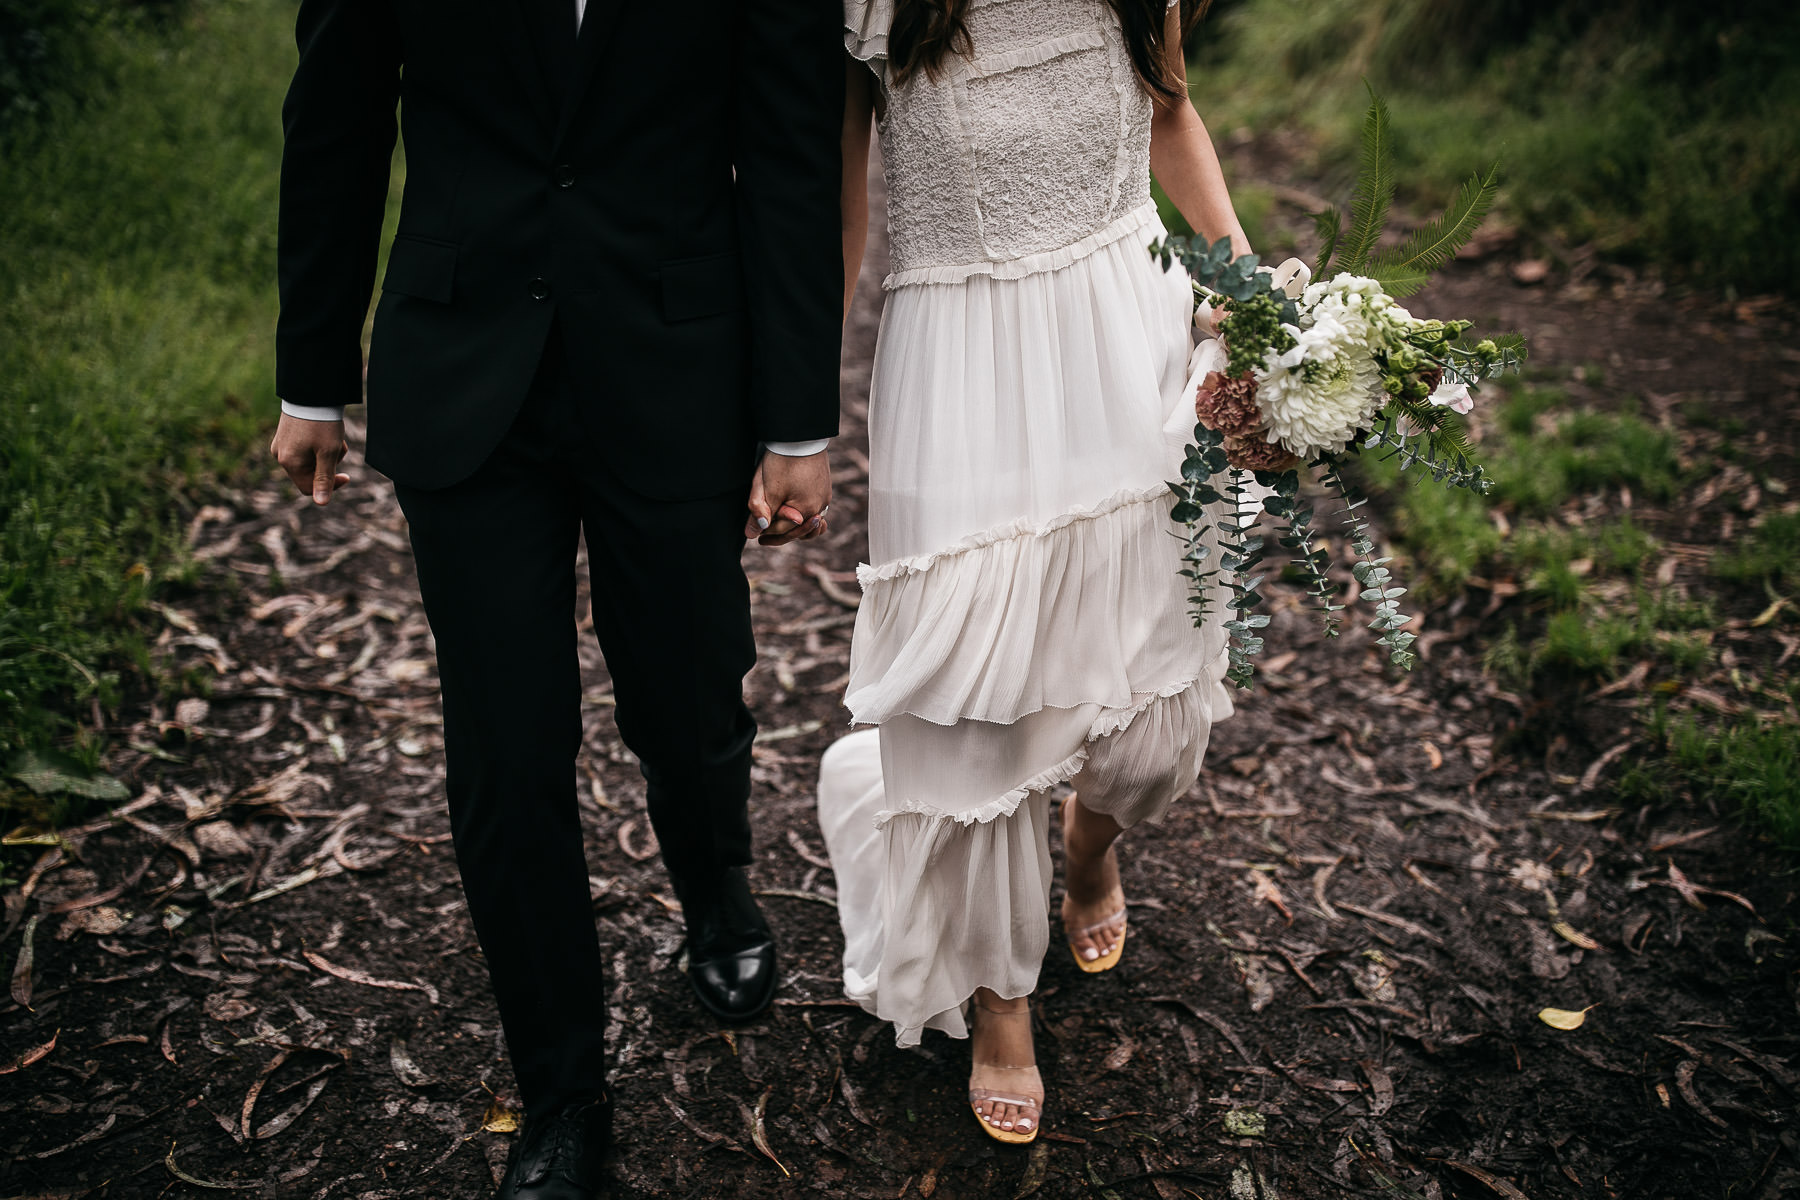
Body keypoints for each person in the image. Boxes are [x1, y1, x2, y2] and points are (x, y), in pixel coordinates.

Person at [268, 1, 843, 1195]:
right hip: (465, 364)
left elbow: (789, 154)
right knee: (506, 750)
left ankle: (714, 880)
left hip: (676, 361)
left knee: (686, 688)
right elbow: (337, 117)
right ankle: (562, 1094)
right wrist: (313, 375)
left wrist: (798, 419)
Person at [818, 0, 1249, 1144]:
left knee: (1153, 714)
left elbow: (1173, 115)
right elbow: (842, 210)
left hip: (1127, 328)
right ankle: (1003, 997)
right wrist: (796, 415)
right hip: (962, 363)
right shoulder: (872, 8)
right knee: (981, 713)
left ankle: (1091, 842)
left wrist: (1253, 297)